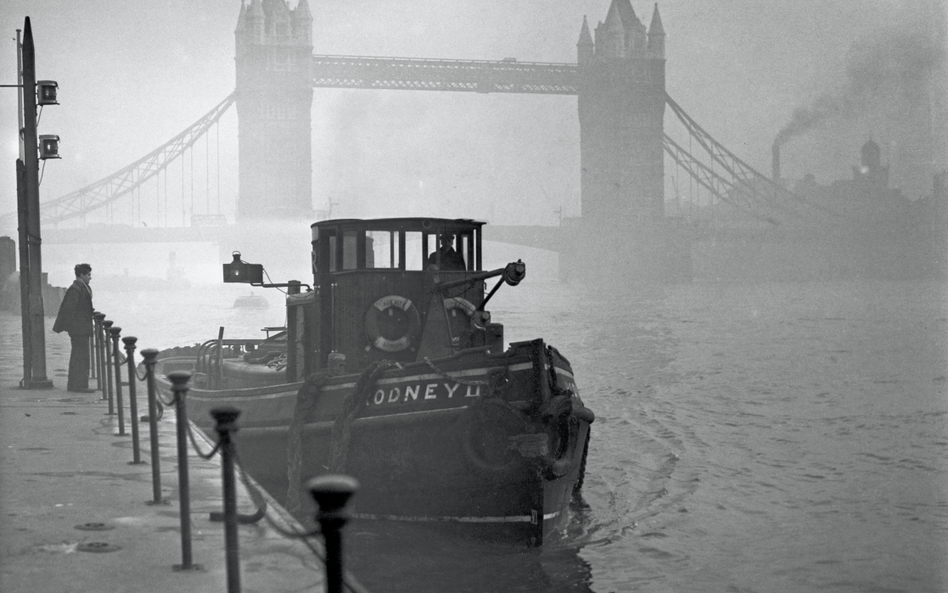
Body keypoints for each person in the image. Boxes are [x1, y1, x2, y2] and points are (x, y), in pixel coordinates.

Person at [53, 263, 95, 393]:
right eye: (88, 275)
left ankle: (78, 384)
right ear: (81, 275)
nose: (90, 277)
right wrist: (73, 327)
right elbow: (69, 310)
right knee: (79, 357)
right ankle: (78, 386)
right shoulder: (76, 289)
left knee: (80, 356)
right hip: (79, 329)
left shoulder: (80, 287)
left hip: (81, 328)